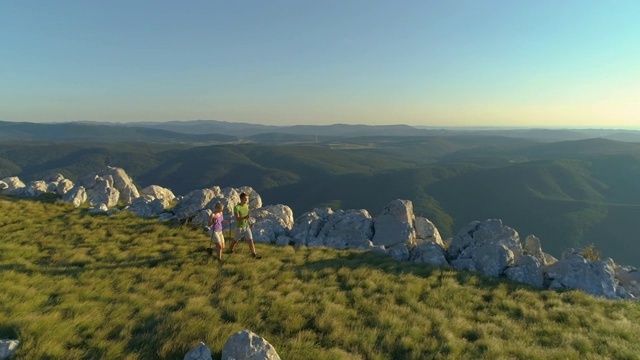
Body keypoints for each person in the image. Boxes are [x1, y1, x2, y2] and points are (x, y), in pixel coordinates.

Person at [228, 192, 261, 259]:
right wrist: (244, 217)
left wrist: (250, 223)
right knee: (235, 240)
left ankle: (254, 254)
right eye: (245, 199)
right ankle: (230, 250)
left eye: (247, 199)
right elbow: (237, 218)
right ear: (241, 199)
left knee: (250, 240)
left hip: (246, 226)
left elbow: (247, 217)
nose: (246, 200)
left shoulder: (246, 206)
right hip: (239, 227)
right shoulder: (236, 207)